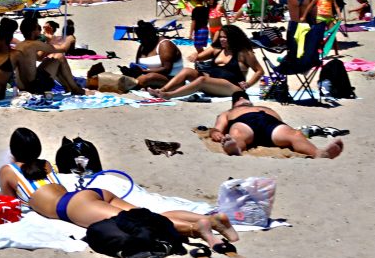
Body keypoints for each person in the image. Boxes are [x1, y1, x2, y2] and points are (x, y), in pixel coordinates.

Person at [0, 128, 235, 252]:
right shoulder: (45, 164)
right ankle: (211, 219)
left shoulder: (8, 170)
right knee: (147, 213)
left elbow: (8, 201)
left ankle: (197, 228)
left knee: (141, 223)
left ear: (13, 149)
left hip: (72, 207)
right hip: (88, 195)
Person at [210, 93, 343, 158]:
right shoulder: (229, 112)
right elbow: (217, 128)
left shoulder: (262, 106)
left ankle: (319, 153)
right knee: (237, 134)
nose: (242, 99)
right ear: (234, 103)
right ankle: (235, 149)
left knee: (295, 134)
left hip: (271, 124)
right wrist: (215, 132)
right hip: (244, 121)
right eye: (239, 99)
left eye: (245, 97)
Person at [153, 24, 262, 100]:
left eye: (225, 37)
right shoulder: (217, 49)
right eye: (221, 37)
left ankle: (170, 95)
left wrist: (248, 84)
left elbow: (259, 71)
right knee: (187, 71)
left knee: (202, 79)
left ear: (233, 38)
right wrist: (196, 55)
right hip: (212, 83)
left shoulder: (244, 52)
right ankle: (162, 90)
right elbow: (200, 57)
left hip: (233, 87)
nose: (222, 39)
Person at [121, 20, 181, 89]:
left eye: (143, 38)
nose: (142, 40)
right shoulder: (143, 45)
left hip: (171, 79)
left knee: (149, 78)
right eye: (140, 38)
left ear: (151, 35)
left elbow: (167, 69)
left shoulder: (164, 45)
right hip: (147, 74)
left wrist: (144, 71)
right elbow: (138, 64)